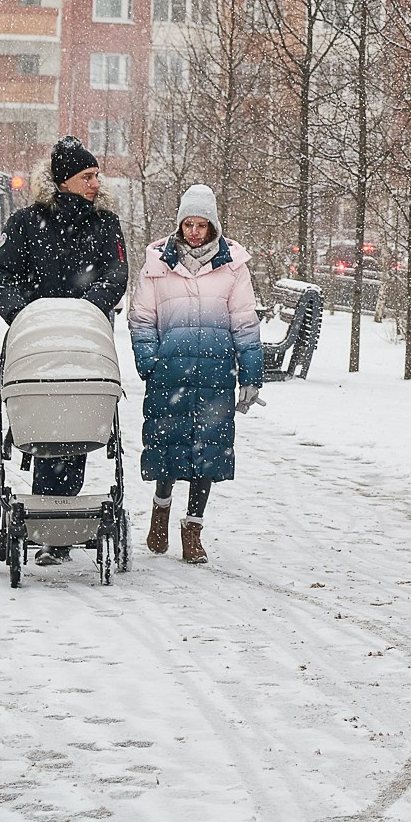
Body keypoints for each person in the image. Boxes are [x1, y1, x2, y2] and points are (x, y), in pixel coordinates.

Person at [0, 136, 128, 565]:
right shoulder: (29, 223)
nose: (95, 183)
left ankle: (57, 526)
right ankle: (52, 523)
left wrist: (86, 311)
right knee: (46, 422)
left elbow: (115, 274)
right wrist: (28, 315)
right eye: (87, 176)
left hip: (85, 343)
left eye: (96, 175)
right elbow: (0, 276)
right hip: (39, 343)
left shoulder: (105, 224)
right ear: (64, 181)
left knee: (76, 424)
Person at [128, 184, 264, 565]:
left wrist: (251, 375)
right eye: (187, 224)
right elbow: (141, 318)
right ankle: (160, 511)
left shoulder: (233, 268)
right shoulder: (157, 266)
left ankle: (193, 527)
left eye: (200, 225)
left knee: (208, 452)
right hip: (169, 374)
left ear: (212, 226)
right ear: (179, 224)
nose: (193, 232)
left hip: (215, 375)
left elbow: (245, 323)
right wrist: (149, 361)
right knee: (168, 450)